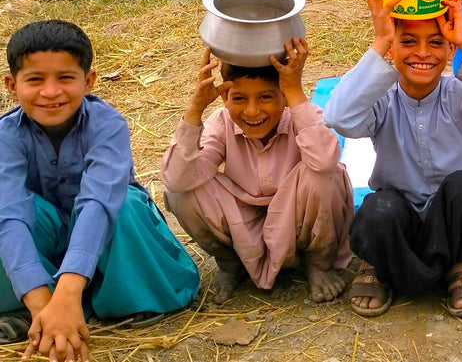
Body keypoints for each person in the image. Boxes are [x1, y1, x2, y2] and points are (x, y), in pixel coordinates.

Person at [323, 0, 462, 317]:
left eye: (436, 43)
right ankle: (380, 267)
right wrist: (380, 42)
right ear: (393, 48)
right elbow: (338, 116)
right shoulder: (381, 99)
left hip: (455, 220)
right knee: (379, 208)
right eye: (407, 42)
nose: (422, 53)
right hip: (400, 220)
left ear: (449, 51)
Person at [0, 20, 199, 361]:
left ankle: (114, 299)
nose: (50, 92)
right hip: (44, 247)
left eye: (65, 78)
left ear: (88, 82)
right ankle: (36, 311)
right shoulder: (6, 135)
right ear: (11, 86)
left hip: (111, 241)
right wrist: (45, 305)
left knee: (123, 203)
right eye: (35, 80)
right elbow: (11, 216)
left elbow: (98, 204)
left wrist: (69, 292)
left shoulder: (107, 125)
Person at [161, 38, 355, 305]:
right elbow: (176, 179)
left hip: (296, 223)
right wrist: (195, 110)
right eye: (239, 98)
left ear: (283, 96)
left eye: (265, 97)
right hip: (244, 225)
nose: (252, 111)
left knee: (324, 174)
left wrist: (296, 94)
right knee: (181, 192)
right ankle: (231, 263)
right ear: (224, 98)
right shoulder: (221, 123)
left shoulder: (303, 114)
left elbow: (324, 161)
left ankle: (319, 263)